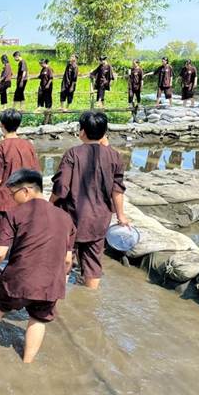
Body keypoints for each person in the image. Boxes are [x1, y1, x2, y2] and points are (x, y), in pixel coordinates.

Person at [0, 169, 75, 364]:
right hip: (50, 285)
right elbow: (67, 260)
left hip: (18, 279)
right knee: (38, 320)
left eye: (13, 194)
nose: (12, 199)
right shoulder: (65, 218)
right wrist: (60, 279)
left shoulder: (15, 214)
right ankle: (27, 363)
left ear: (26, 191)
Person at [49, 111, 129, 290]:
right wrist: (121, 216)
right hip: (99, 219)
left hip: (72, 216)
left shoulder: (73, 154)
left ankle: (60, 296)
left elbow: (61, 187)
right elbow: (117, 189)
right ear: (104, 133)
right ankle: (91, 295)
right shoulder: (114, 156)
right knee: (93, 260)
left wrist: (49, 204)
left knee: (65, 256)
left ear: (82, 131)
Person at [0, 109, 40, 252]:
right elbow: (36, 174)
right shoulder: (28, 146)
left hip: (5, 200)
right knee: (21, 240)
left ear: (1, 124)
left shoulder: (0, 147)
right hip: (25, 199)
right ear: (18, 124)